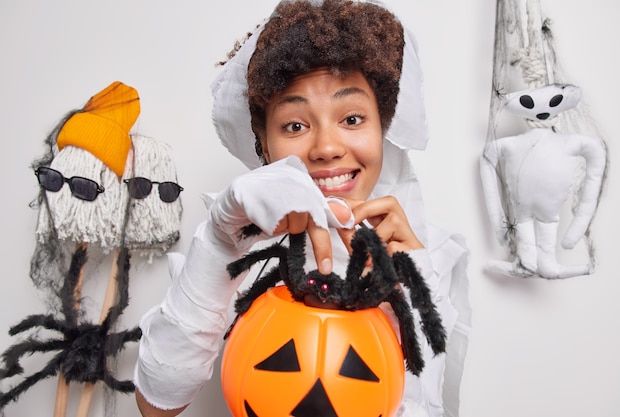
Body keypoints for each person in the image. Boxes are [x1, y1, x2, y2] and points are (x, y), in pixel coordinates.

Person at [134, 1, 470, 416]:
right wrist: (219, 247)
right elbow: (156, 409)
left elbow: (420, 397)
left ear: (381, 128)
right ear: (263, 142)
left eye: (351, 119)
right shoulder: (247, 256)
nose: (327, 148)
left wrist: (417, 285)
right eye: (295, 125)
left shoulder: (427, 253)